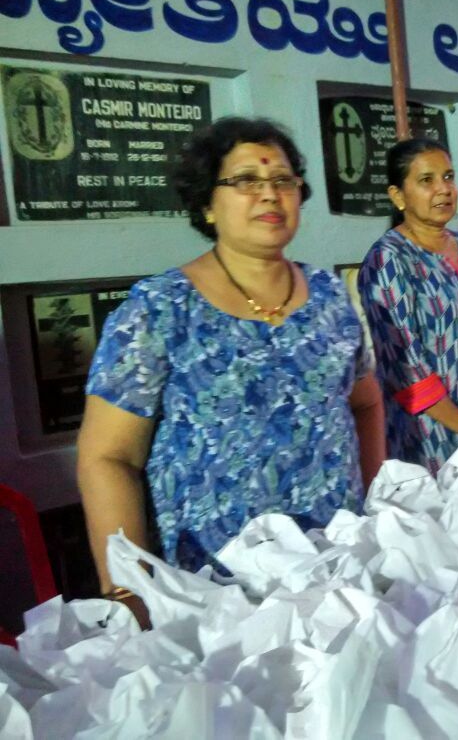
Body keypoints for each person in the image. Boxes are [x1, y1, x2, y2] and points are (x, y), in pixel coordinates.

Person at [77, 117, 385, 612]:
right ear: (207, 203)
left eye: (283, 180)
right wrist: (131, 593)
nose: (270, 194)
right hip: (215, 590)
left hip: (334, 571)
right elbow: (109, 458)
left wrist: (371, 517)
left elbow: (366, 404)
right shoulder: (159, 309)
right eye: (245, 180)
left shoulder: (330, 296)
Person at [358, 138, 458, 475]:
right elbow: (404, 368)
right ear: (398, 196)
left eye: (448, 177)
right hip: (430, 434)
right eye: (427, 180)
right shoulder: (389, 260)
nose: (443, 189)